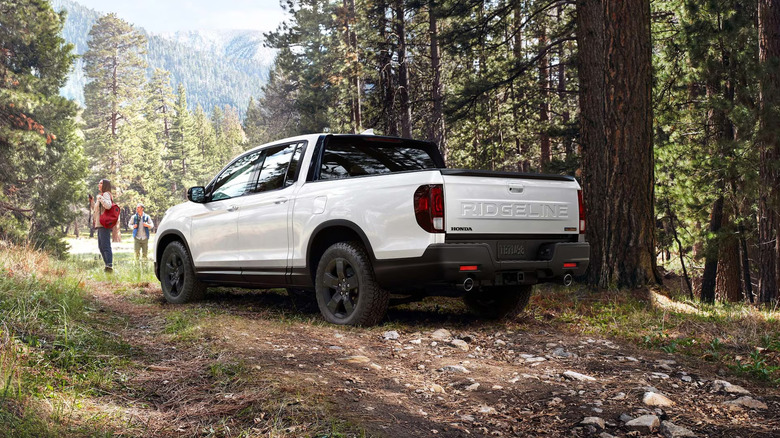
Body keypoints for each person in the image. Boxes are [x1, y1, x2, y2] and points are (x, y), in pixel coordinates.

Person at [93, 179, 114, 272]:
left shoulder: (105, 194)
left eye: (101, 183)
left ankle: (109, 266)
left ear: (105, 185)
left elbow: (108, 206)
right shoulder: (101, 195)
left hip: (104, 224)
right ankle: (107, 265)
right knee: (101, 246)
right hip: (100, 224)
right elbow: (97, 210)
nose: (99, 184)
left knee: (105, 245)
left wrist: (100, 198)